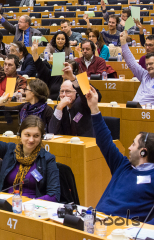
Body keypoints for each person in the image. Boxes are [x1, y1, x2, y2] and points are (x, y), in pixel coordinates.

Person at [0, 94, 60, 201]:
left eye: (36, 136)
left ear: (41, 137)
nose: (31, 140)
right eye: (27, 135)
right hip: (6, 204)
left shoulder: (47, 159)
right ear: (20, 135)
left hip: (33, 208)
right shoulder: (9, 150)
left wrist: (29, 203)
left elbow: (54, 195)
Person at [86, 86, 154, 224]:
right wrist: (94, 108)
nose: (129, 148)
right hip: (98, 222)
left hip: (124, 230)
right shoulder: (122, 165)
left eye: (133, 144)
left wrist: (143, 231)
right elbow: (105, 141)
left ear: (143, 152)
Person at [48, 63, 93, 137]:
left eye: (68, 91)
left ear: (76, 93)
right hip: (69, 144)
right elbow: (52, 131)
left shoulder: (83, 102)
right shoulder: (60, 108)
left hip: (86, 142)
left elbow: (87, 92)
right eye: (62, 91)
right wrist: (59, 108)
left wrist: (73, 79)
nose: (64, 95)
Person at [120, 31, 154, 105]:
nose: (148, 67)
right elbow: (131, 62)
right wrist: (123, 41)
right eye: (147, 64)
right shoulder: (144, 75)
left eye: (151, 64)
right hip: (134, 109)